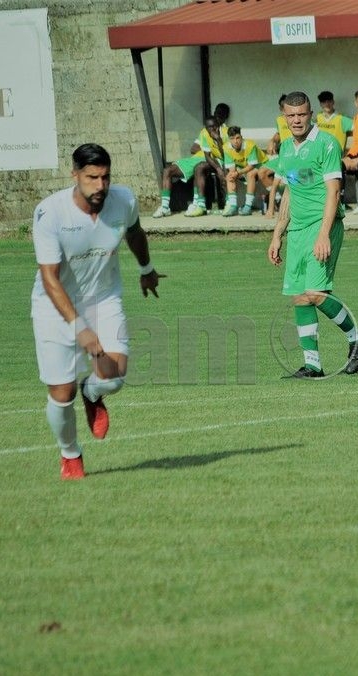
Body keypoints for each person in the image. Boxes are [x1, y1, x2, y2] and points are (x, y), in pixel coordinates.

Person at [31, 143, 163, 479]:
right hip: (54, 307)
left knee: (115, 376)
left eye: (105, 177)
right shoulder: (50, 213)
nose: (100, 186)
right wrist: (80, 329)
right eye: (92, 178)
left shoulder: (123, 200)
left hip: (104, 298)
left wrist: (146, 268)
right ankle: (70, 453)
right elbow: (50, 279)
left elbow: (135, 233)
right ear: (74, 174)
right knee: (62, 394)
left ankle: (92, 393)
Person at [267, 92, 358, 378]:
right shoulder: (286, 148)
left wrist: (323, 234)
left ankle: (357, 338)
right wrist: (278, 234)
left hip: (323, 226)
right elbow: (289, 191)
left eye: (302, 115)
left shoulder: (326, 144)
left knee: (315, 293)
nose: (297, 120)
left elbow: (334, 191)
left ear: (311, 114)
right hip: (297, 230)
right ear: (284, 117)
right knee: (300, 297)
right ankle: (312, 364)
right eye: (291, 115)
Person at [152, 115, 225, 218]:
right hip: (197, 158)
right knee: (167, 170)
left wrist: (217, 140)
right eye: (209, 126)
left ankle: (196, 204)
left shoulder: (225, 132)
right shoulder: (204, 132)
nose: (212, 129)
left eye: (214, 126)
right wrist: (205, 150)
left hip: (213, 160)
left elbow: (226, 154)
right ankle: (165, 207)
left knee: (198, 168)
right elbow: (193, 149)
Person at [316, 91, 354, 205]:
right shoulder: (316, 119)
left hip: (336, 156)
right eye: (323, 102)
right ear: (320, 104)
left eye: (329, 101)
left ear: (333, 102)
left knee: (336, 177)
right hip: (319, 155)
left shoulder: (341, 119)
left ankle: (340, 202)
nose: (326, 104)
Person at [222, 125, 270, 216]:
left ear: (241, 137)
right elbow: (232, 168)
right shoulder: (226, 147)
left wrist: (239, 172)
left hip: (261, 164)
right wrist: (234, 174)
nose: (235, 141)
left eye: (237, 138)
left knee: (250, 174)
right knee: (230, 176)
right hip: (244, 167)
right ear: (229, 139)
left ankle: (248, 206)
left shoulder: (250, 145)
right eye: (232, 138)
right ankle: (233, 206)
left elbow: (252, 165)